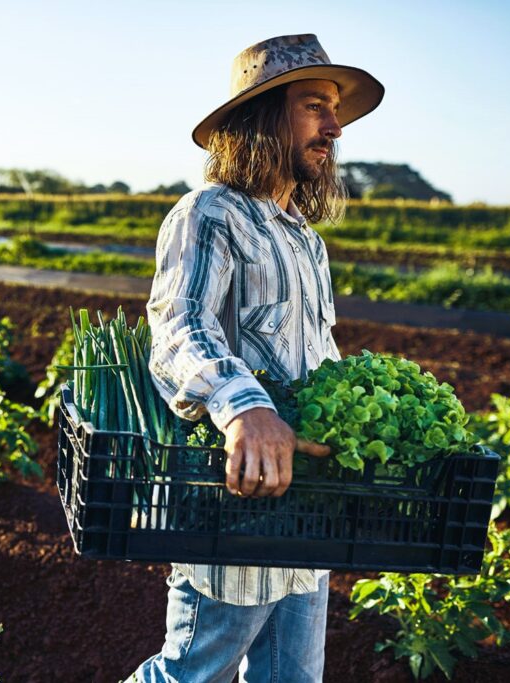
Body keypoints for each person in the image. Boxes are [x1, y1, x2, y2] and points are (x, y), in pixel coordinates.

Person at [130, 34, 384, 682]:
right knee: (193, 673)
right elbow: (177, 324)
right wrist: (246, 407)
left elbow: (313, 357)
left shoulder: (306, 241)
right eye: (313, 106)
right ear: (262, 117)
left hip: (305, 515)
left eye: (333, 111)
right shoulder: (209, 213)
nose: (333, 127)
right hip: (235, 508)